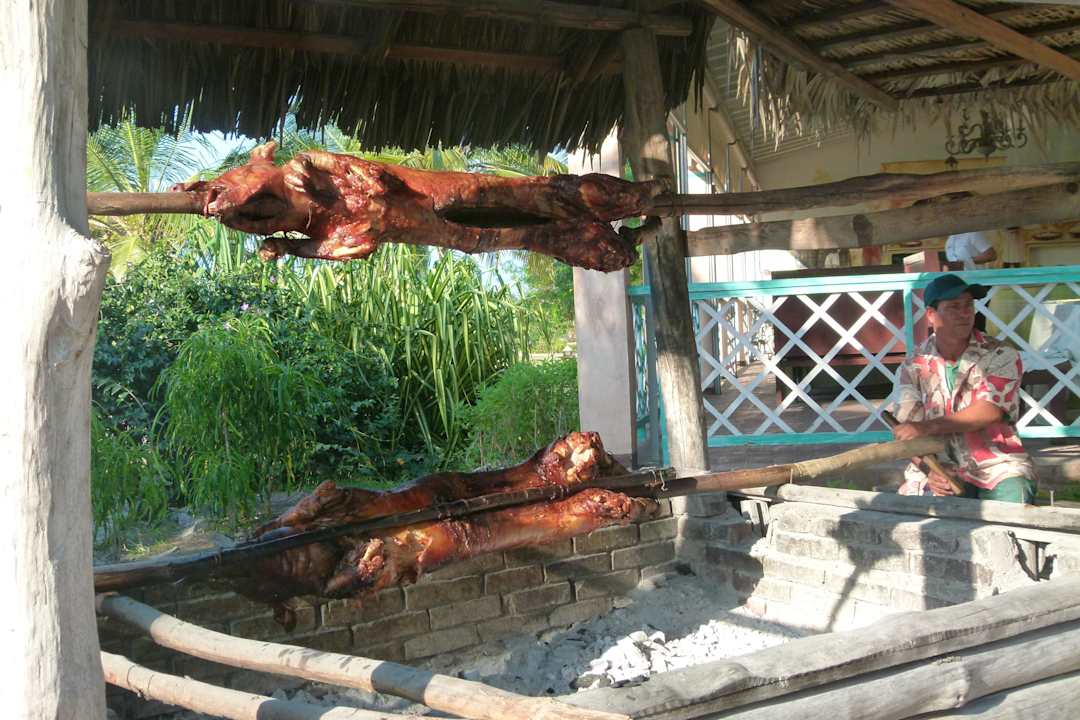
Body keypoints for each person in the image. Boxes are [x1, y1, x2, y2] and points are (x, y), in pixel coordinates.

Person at [890, 273, 1037, 503]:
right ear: (931, 315)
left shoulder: (1000, 354)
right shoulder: (913, 365)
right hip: (939, 466)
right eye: (954, 307)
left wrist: (926, 427)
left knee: (1013, 504)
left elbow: (991, 409)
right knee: (919, 515)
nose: (965, 313)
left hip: (996, 464)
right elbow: (907, 431)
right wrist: (931, 472)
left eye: (969, 305)